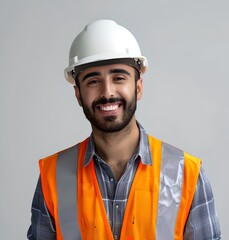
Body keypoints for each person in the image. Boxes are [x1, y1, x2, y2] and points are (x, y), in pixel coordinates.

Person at [27, 19, 221, 240]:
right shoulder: (53, 176)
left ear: (138, 87)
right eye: (93, 81)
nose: (107, 92)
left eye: (119, 78)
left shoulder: (186, 174)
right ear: (78, 94)